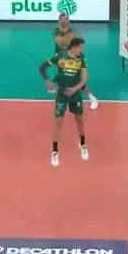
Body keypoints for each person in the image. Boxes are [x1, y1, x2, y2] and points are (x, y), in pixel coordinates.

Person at [39, 37, 89, 166]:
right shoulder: (60, 56)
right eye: (80, 48)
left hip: (75, 93)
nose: (82, 50)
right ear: (74, 47)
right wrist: (48, 81)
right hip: (62, 93)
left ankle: (83, 144)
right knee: (58, 122)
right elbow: (42, 67)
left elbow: (84, 78)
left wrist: (75, 89)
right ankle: (55, 151)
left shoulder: (81, 58)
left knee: (80, 120)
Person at [52, 13, 99, 110]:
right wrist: (71, 38)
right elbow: (60, 43)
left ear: (69, 21)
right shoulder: (56, 31)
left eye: (66, 19)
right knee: (61, 78)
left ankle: (92, 98)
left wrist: (69, 40)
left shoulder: (74, 30)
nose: (64, 21)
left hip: (75, 58)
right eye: (62, 19)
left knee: (78, 80)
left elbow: (78, 42)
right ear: (59, 21)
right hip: (61, 59)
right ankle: (62, 99)